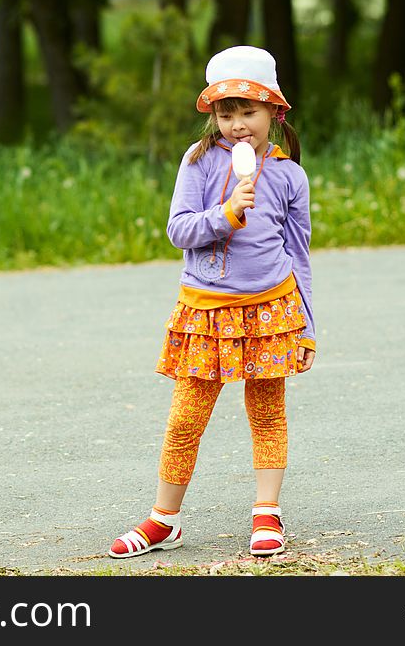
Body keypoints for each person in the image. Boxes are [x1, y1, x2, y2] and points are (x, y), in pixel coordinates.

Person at [108, 46, 316, 559]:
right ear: (214, 117)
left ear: (275, 112)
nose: (238, 124)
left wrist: (307, 324)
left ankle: (267, 514)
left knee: (267, 414)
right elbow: (179, 231)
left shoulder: (290, 175)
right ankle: (164, 519)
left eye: (249, 111)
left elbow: (299, 253)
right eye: (227, 113)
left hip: (273, 307)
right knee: (186, 418)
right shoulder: (198, 161)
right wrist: (224, 214)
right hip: (206, 309)